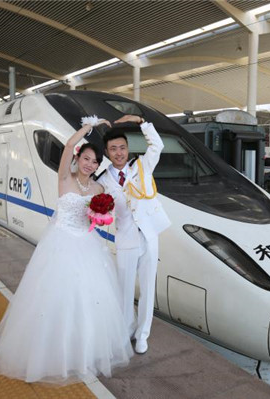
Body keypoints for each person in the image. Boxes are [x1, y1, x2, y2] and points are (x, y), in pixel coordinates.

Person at [0, 116, 133, 385]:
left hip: (87, 246)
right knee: (56, 300)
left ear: (99, 165)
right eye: (86, 158)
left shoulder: (99, 188)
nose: (90, 164)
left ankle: (82, 351)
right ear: (78, 158)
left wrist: (101, 215)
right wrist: (90, 127)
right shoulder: (65, 177)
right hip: (60, 243)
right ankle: (51, 352)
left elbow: (100, 217)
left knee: (87, 300)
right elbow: (67, 147)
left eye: (95, 161)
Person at [97, 114, 171, 355]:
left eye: (122, 147)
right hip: (126, 239)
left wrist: (141, 122)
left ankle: (142, 335)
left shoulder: (142, 165)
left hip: (150, 236)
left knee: (148, 288)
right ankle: (127, 328)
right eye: (113, 149)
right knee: (125, 288)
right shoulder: (104, 180)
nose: (119, 153)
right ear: (107, 153)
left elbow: (157, 145)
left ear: (128, 148)